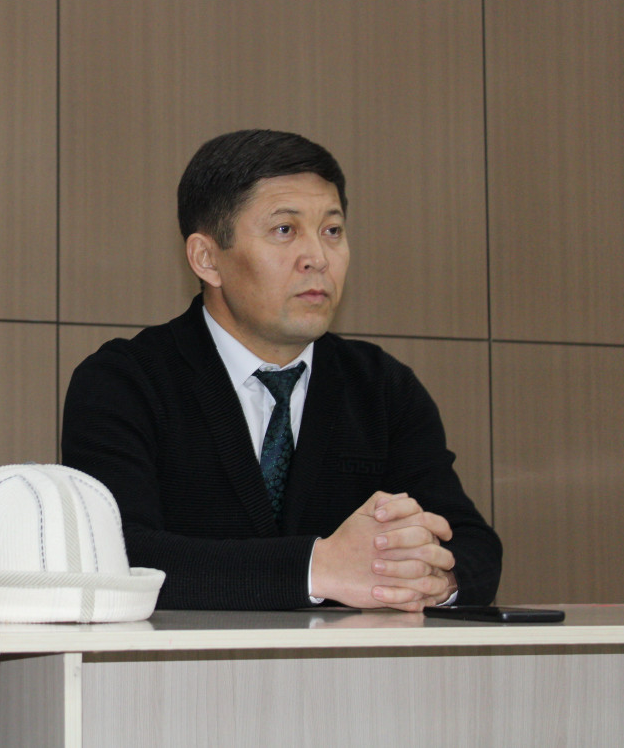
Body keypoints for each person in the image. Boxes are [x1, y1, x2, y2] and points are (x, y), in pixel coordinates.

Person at [62, 129, 501, 611]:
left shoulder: (382, 387)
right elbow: (120, 555)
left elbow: (472, 546)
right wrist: (317, 568)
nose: (318, 259)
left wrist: (438, 578)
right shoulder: (124, 382)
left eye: (332, 231)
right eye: (285, 230)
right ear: (207, 258)